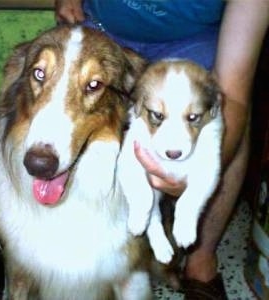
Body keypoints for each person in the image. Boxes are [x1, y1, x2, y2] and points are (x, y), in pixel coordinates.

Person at [55, 0, 269, 299]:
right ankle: (85, 247)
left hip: (193, 43)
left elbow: (232, 94)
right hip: (105, 30)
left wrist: (200, 175)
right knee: (69, 100)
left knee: (228, 124)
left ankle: (200, 258)